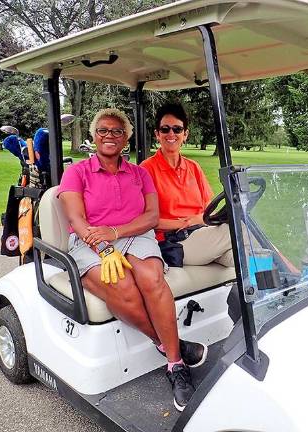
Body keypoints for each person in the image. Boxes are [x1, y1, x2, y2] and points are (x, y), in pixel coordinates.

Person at [57, 108, 206, 411]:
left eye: (116, 132)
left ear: (126, 138)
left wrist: (115, 232)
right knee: (122, 287)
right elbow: (77, 218)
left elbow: (151, 216)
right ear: (93, 135)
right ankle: (173, 354)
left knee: (152, 279)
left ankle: (173, 360)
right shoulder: (77, 172)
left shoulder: (139, 173)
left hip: (133, 234)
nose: (109, 136)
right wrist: (104, 246)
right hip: (90, 241)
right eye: (103, 131)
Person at [141, 103, 234, 267]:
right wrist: (185, 223)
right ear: (157, 134)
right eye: (165, 129)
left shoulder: (193, 167)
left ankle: (285, 287)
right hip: (173, 242)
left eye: (177, 129)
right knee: (238, 230)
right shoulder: (146, 170)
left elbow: (209, 207)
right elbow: (144, 220)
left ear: (185, 134)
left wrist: (199, 220)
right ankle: (293, 274)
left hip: (202, 235)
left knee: (246, 256)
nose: (171, 134)